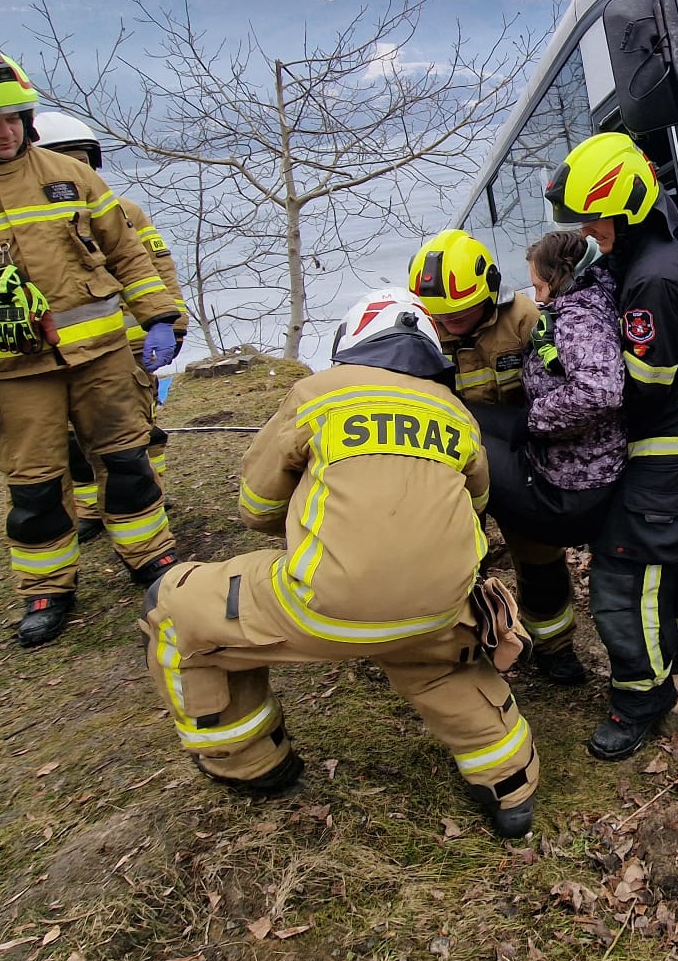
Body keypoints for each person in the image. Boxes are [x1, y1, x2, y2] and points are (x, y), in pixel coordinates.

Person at [139, 288, 539, 837]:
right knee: (438, 662)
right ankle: (511, 786)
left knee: (173, 607)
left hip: (325, 606)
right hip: (441, 610)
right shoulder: (457, 414)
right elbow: (474, 507)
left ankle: (249, 763)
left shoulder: (317, 393)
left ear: (352, 340)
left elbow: (256, 508)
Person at [0, 46, 183, 648]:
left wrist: (160, 318)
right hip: (13, 375)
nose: (6, 132)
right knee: (35, 486)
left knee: (128, 463)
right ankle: (47, 590)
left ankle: (152, 560)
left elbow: (128, 253)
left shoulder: (69, 174)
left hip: (103, 359)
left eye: (16, 117)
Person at [544, 131, 678, 761]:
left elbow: (644, 387)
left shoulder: (651, 280)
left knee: (625, 570)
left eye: (592, 220)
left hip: (663, 442)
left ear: (622, 208)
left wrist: (567, 375)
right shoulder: (655, 249)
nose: (587, 232)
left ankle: (640, 697)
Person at [32, 110, 189, 541]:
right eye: (65, 161)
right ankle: (90, 509)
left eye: (82, 161)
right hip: (60, 349)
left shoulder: (123, 212)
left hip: (132, 343)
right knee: (71, 439)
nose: (76, 171)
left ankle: (151, 496)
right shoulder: (29, 229)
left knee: (135, 430)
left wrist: (171, 323)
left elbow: (158, 267)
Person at [480, 229, 628, 685]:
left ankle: (551, 650)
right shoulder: (587, 304)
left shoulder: (576, 318)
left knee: (471, 431)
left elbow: (601, 389)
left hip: (569, 485)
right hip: (577, 466)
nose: (537, 296)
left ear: (562, 277)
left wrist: (530, 421)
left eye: (540, 286)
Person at [408, 228, 540, 407]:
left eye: (460, 312)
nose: (448, 320)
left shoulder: (522, 318)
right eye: (439, 314)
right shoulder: (422, 331)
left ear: (489, 293)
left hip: (522, 425)